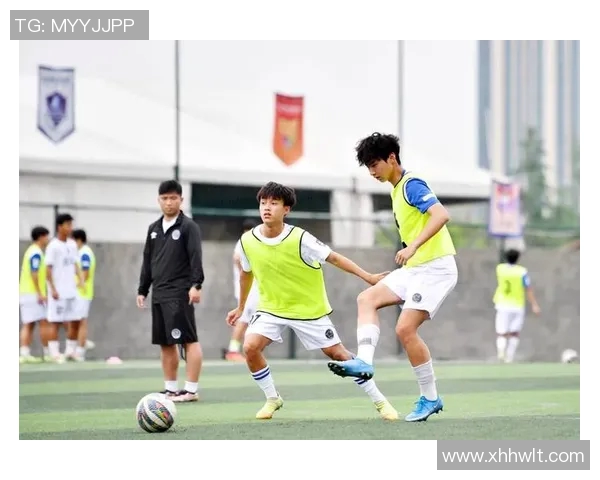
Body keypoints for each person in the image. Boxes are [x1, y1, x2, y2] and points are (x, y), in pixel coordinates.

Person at [226, 181, 398, 421]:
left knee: (337, 354)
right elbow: (246, 273)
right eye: (263, 203)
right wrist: (241, 307)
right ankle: (272, 398)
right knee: (250, 347)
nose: (267, 208)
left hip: (309, 310)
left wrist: (368, 276)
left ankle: (380, 401)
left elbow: (334, 258)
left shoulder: (300, 238)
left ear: (286, 210)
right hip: (271, 308)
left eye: (274, 203)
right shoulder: (247, 241)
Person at [328, 133, 458, 422]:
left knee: (405, 329)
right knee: (366, 299)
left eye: (374, 164)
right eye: (368, 167)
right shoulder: (395, 189)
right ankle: (364, 362)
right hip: (416, 269)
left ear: (392, 158)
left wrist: (412, 246)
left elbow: (441, 215)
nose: (372, 172)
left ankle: (430, 398)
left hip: (436, 268)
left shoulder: (411, 184)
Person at [137, 180, 205, 403]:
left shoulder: (188, 227)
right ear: (158, 200)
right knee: (165, 342)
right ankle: (170, 389)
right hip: (159, 293)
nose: (168, 202)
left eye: (173, 198)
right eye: (164, 198)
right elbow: (147, 260)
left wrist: (196, 285)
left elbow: (196, 257)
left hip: (180, 292)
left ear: (181, 200)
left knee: (188, 339)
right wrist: (143, 289)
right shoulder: (153, 229)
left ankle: (191, 390)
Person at [45, 213, 84, 363]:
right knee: (55, 322)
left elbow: (75, 263)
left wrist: (80, 279)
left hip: (71, 290)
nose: (70, 228)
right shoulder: (53, 246)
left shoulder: (72, 244)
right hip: (58, 291)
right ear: (59, 227)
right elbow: (48, 269)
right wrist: (53, 289)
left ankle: (70, 351)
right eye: (67, 225)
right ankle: (54, 353)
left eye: (71, 225)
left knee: (76, 320)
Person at [493, 248, 541, 363]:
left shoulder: (500, 269)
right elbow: (528, 288)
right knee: (514, 333)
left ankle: (501, 352)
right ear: (518, 258)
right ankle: (509, 357)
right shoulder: (522, 272)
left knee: (501, 332)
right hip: (517, 305)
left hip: (502, 304)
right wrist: (534, 305)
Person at [223, 219, 259, 362]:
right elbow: (237, 258)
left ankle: (248, 350)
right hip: (246, 290)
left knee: (251, 320)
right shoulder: (244, 241)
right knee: (243, 320)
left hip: (253, 290)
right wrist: (245, 274)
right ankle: (232, 351)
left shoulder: (250, 242)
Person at [19, 226, 51, 363]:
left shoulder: (31, 251)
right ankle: (48, 353)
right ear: (41, 237)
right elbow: (34, 272)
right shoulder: (36, 253)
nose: (48, 239)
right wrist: (39, 293)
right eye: (47, 236)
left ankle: (24, 353)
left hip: (26, 292)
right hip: (33, 294)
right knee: (44, 322)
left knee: (29, 324)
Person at [70, 229, 96, 361]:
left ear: (79, 240)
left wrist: (78, 284)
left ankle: (80, 351)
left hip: (82, 294)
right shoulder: (79, 252)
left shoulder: (84, 253)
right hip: (78, 294)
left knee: (81, 322)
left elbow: (85, 272)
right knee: (74, 322)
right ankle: (73, 349)